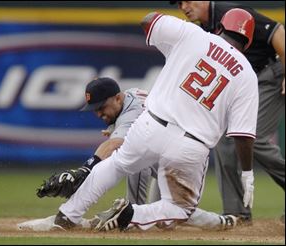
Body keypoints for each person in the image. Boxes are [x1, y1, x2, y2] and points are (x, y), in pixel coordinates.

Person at [53, 8, 258, 232]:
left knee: (117, 164)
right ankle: (130, 214)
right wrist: (247, 172)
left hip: (151, 124)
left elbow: (148, 20)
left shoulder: (194, 35)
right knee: (180, 209)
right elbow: (242, 135)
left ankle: (67, 215)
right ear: (247, 43)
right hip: (191, 144)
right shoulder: (247, 74)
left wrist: (176, 41)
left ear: (219, 27)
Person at [171, 1, 285, 224]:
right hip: (244, 86)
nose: (183, 6)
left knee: (256, 139)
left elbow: (278, 31)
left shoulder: (230, 13)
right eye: (179, 3)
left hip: (269, 76)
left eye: (187, 0)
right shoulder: (201, 28)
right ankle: (237, 213)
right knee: (225, 140)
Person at [36, 77, 159, 205]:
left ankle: (134, 212)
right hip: (168, 167)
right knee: (163, 221)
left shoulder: (132, 113)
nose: (99, 114)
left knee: (135, 154)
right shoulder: (131, 94)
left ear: (117, 98)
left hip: (178, 171)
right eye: (95, 109)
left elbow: (114, 144)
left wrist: (86, 169)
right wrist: (116, 127)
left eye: (101, 107)